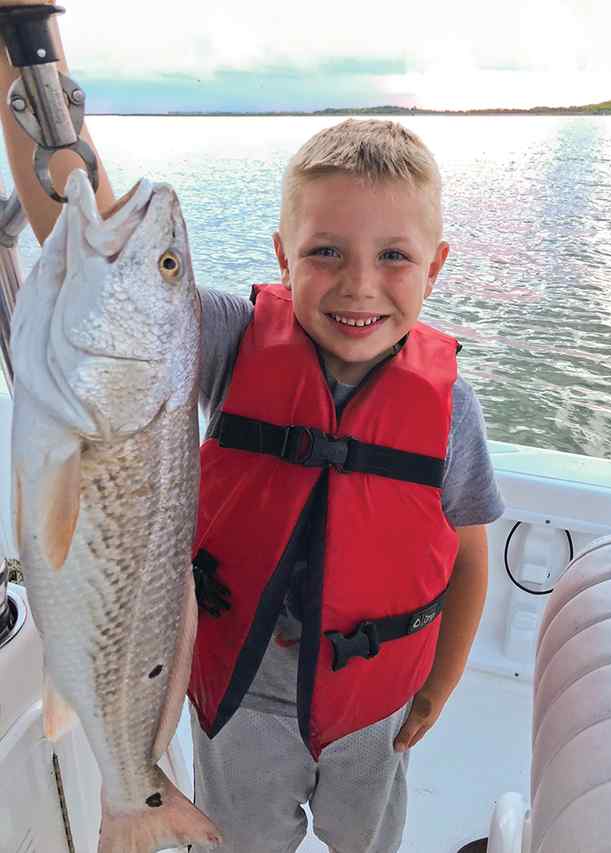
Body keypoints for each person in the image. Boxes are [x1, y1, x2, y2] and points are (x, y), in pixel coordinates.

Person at [0, 10, 504, 853]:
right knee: (241, 839)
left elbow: (468, 554)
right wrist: (21, 59)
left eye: (393, 257)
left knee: (367, 837)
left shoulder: (451, 408)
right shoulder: (230, 341)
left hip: (372, 710)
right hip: (239, 697)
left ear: (436, 266)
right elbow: (87, 245)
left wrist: (441, 685)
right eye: (325, 253)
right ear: (281, 254)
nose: (359, 286)